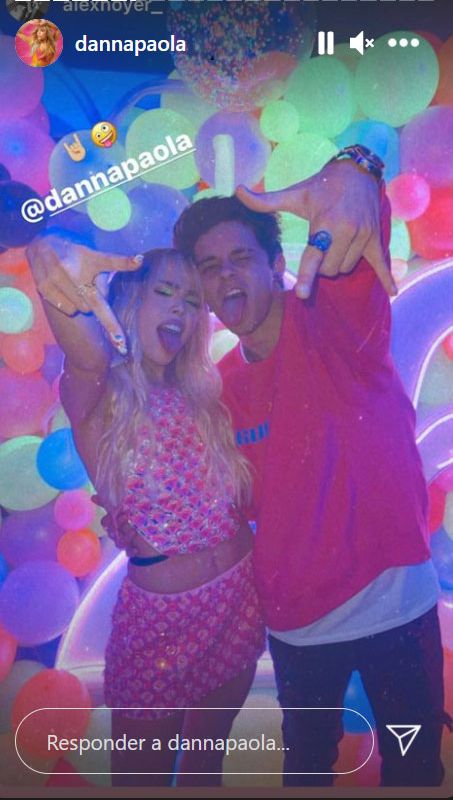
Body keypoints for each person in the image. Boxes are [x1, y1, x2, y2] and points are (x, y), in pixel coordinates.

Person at [172, 153, 446, 787]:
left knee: (413, 773)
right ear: (202, 291)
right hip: (297, 629)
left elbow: (352, 238)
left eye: (240, 257)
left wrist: (356, 173)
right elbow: (235, 510)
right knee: (306, 775)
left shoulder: (336, 321)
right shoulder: (217, 394)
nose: (225, 274)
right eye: (209, 267)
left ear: (276, 265)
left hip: (394, 608)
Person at [26, 242, 265, 787]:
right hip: (160, 626)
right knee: (140, 782)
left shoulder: (201, 391)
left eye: (192, 300)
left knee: (205, 768)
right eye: (166, 291)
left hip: (237, 603)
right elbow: (86, 353)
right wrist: (50, 260)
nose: (182, 307)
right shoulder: (100, 388)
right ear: (130, 300)